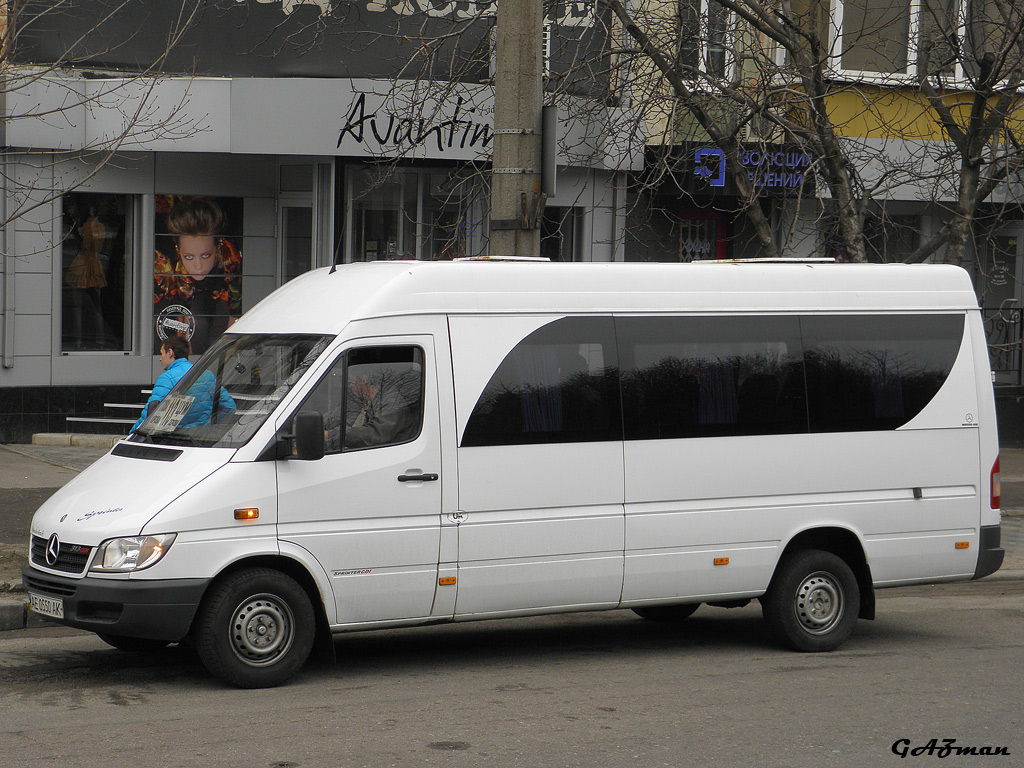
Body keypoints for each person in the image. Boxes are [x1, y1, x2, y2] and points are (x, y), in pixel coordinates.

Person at [153, 198, 242, 355]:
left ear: (217, 247)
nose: (198, 265)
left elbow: (236, 303)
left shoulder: (229, 257)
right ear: (178, 250)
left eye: (206, 255)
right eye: (189, 257)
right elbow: (175, 304)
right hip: (181, 299)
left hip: (219, 295)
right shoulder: (166, 265)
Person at [133, 335, 193, 431]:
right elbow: (225, 406)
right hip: (203, 439)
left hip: (176, 439)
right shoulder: (207, 375)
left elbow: (150, 414)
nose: (160, 359)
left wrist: (133, 433)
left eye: (162, 354)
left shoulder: (167, 378)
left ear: (170, 353)